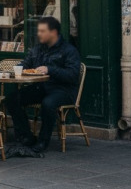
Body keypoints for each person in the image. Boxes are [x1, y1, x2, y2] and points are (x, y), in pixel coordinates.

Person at [5, 16, 81, 154]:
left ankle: (42, 141)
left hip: (63, 90)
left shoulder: (69, 50)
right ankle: (26, 136)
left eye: (42, 31)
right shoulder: (37, 49)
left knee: (48, 104)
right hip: (41, 87)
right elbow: (26, 63)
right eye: (39, 31)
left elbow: (72, 75)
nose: (39, 33)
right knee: (12, 98)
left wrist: (50, 69)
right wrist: (15, 69)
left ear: (53, 32)